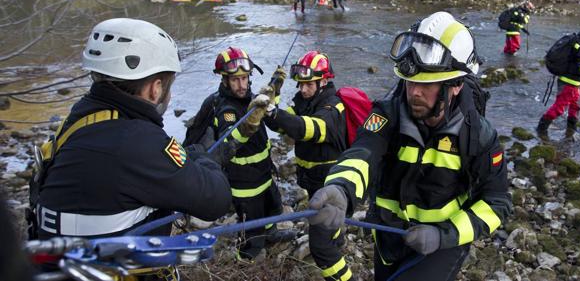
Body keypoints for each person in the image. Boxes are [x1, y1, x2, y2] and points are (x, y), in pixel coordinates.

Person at [308, 12, 512, 281]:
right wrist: (341, 189)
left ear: (456, 86)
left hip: (441, 245)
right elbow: (362, 154)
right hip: (388, 238)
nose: (414, 92)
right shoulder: (386, 115)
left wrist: (444, 234)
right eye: (411, 80)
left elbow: (497, 203)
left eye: (427, 84)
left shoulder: (479, 136)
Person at [32, 18, 232, 240]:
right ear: (155, 89)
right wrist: (208, 161)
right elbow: (216, 200)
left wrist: (190, 156)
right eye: (168, 86)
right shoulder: (138, 140)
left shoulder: (80, 119)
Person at [183, 47, 295, 260]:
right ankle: (245, 261)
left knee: (273, 207)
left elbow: (274, 121)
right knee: (252, 234)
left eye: (244, 78)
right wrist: (246, 126)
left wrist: (275, 92)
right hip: (244, 185)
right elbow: (229, 142)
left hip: (263, 174)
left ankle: (271, 233)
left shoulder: (250, 97)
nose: (242, 85)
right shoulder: (226, 109)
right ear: (224, 80)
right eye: (235, 80)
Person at [264, 51, 350, 281]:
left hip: (330, 183)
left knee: (321, 246)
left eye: (308, 85)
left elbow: (308, 128)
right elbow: (284, 125)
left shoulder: (334, 107)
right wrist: (274, 96)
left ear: (323, 81)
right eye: (300, 84)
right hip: (312, 179)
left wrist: (275, 113)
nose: (303, 89)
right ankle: (337, 235)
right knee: (325, 224)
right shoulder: (304, 100)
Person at [537, 18, 580, 140]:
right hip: (570, 83)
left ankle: (571, 129)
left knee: (575, 106)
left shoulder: (576, 39)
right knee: (559, 108)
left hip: (570, 81)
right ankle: (541, 128)